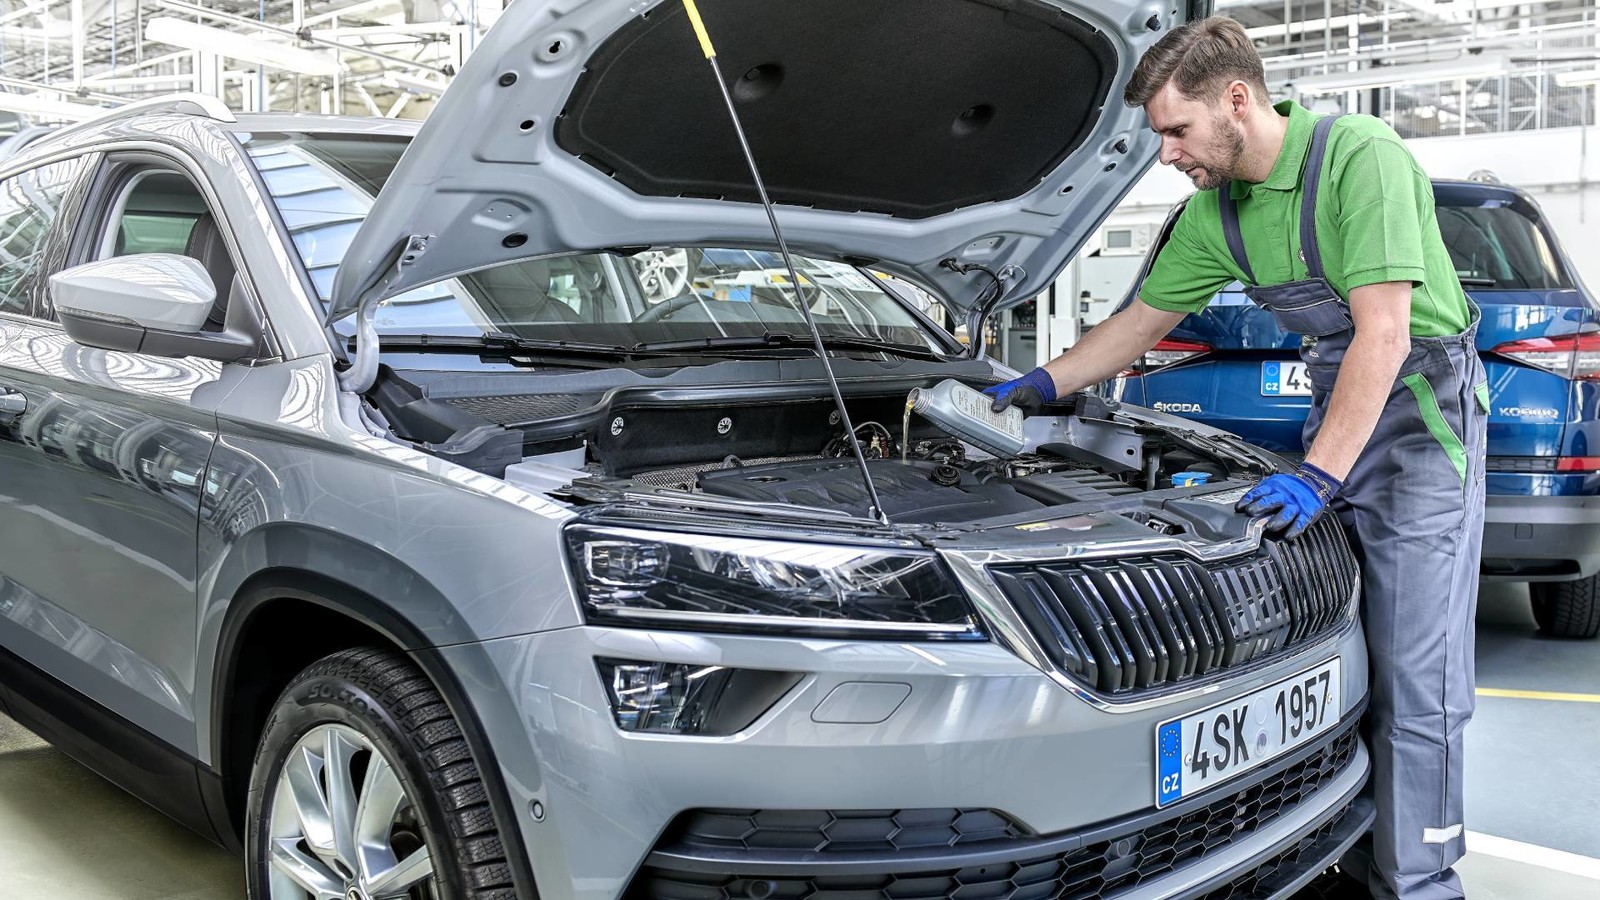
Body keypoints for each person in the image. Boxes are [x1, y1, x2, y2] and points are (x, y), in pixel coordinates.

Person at [986, 15, 1487, 900]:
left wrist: (1318, 476)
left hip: (1420, 416)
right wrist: (1034, 386)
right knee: (1336, 651)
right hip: (1339, 409)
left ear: (1237, 101)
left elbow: (1385, 332)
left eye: (1177, 131)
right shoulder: (1215, 214)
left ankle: (1423, 883)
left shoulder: (1355, 156)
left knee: (1417, 679)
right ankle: (1348, 848)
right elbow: (1138, 328)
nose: (1168, 153)